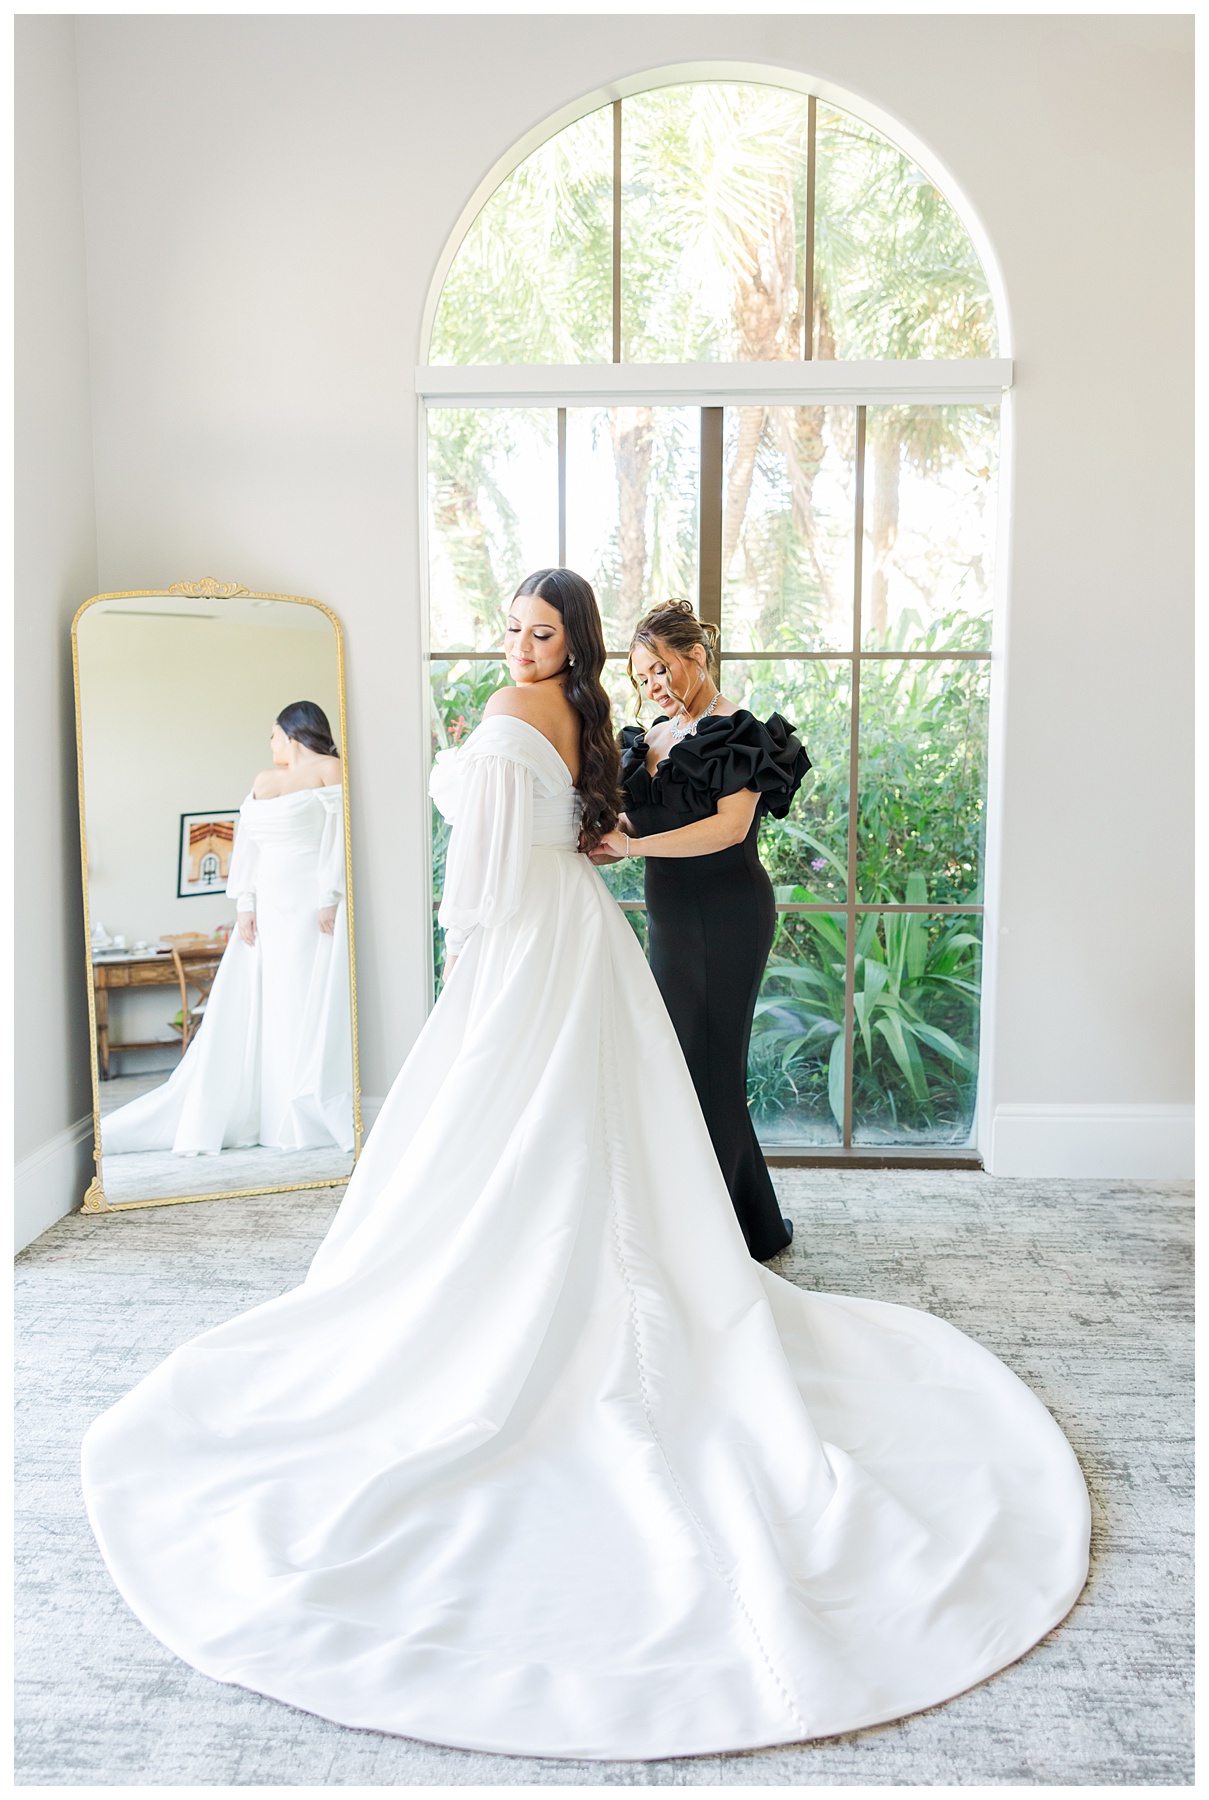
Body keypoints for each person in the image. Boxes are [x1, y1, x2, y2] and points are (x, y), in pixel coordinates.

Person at [82, 570, 1089, 1761]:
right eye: (512, 628)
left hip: (531, 940)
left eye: (540, 631)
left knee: (528, 1121)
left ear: (576, 644)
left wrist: (470, 956)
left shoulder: (518, 720)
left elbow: (494, 877)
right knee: (594, 1123)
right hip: (583, 932)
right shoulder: (580, 717)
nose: (518, 645)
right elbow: (577, 835)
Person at [594, 601, 808, 1262]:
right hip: (671, 921)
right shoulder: (650, 738)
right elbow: (634, 825)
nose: (653, 684)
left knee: (709, 1069)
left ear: (696, 655)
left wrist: (627, 853)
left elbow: (727, 829)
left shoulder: (738, 732)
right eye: (640, 676)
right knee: (683, 1068)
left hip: (728, 913)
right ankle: (753, 1224)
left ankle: (712, 1239)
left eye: (661, 667)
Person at [101, 701, 353, 1157]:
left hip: (312, 902)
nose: (270, 744)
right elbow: (248, 846)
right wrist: (245, 904)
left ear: (292, 733)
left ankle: (298, 1110)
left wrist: (330, 896)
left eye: (273, 735)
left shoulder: (330, 770)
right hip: (270, 906)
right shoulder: (263, 781)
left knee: (303, 997)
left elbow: (340, 837)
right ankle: (261, 1109)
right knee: (265, 1000)